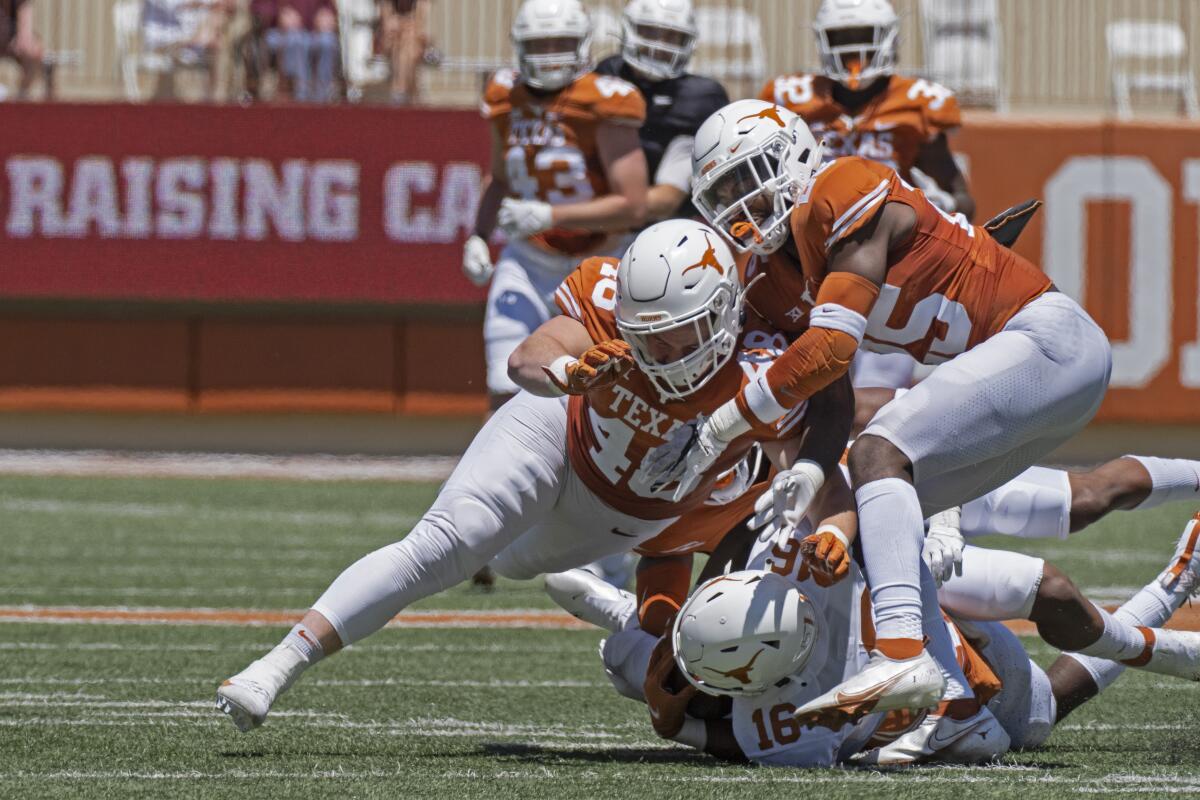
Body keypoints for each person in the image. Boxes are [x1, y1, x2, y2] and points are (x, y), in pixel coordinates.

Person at [215, 219, 849, 733]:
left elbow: (822, 463)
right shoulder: (604, 297)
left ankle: (627, 618)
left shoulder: (759, 368)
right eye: (649, 339)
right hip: (557, 434)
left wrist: (828, 513)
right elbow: (529, 356)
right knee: (449, 542)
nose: (665, 356)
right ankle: (275, 666)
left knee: (528, 570)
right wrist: (568, 373)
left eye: (682, 338)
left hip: (620, 520)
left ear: (722, 319)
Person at [642, 98, 1113, 723]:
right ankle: (945, 692)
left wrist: (721, 426)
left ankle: (902, 654)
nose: (744, 206)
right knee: (883, 513)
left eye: (748, 181)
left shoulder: (842, 187)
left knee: (877, 451)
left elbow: (831, 347)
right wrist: (808, 472)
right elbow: (829, 400)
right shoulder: (769, 277)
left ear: (793, 157)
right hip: (1028, 379)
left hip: (1051, 341)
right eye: (725, 194)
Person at [555, 509, 1200, 766]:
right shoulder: (782, 577)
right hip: (913, 614)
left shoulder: (790, 723)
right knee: (636, 663)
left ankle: (1173, 583)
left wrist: (687, 731)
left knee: (1035, 707)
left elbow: (879, 481)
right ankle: (1176, 580)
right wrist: (683, 721)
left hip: (928, 612)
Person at [762, 0, 974, 393]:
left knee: (873, 398)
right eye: (843, 38)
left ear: (889, 40)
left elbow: (961, 195)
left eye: (863, 38)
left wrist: (942, 203)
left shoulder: (918, 103)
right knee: (805, 386)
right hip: (807, 259)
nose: (853, 50)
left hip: (888, 264)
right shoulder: (792, 96)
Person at [462, 0, 649, 410]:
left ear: (582, 44)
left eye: (559, 43)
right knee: (503, 382)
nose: (549, 55)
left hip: (601, 258)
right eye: (539, 44)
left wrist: (551, 214)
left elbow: (634, 205)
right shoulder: (504, 96)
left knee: (606, 385)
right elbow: (500, 177)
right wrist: (477, 234)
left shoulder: (603, 101)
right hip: (529, 258)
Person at [595, 0, 729, 223]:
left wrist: (578, 214)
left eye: (671, 36)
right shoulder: (607, 75)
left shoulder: (701, 98)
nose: (660, 45)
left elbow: (666, 201)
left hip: (671, 224)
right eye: (650, 32)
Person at [254, 0, 340, 103]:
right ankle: (298, 95)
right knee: (296, 40)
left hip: (312, 32)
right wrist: (281, 14)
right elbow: (259, 7)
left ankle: (322, 97)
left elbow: (328, 7)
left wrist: (326, 15)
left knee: (327, 41)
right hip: (278, 32)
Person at [378, 0, 429, 105]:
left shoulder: (422, 2)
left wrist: (402, 24)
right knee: (403, 45)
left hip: (414, 40)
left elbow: (419, 27)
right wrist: (400, 25)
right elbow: (388, 28)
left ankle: (399, 89)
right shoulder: (386, 3)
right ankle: (410, 93)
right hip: (392, 41)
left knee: (408, 44)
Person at [0, 0, 44, 100]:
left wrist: (23, 39)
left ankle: (22, 95)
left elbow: (25, 34)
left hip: (9, 41)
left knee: (33, 50)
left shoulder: (19, 3)